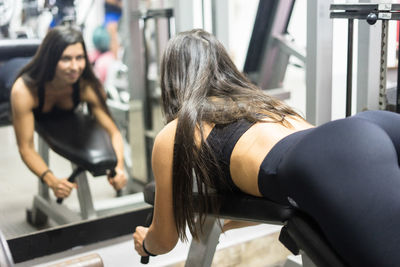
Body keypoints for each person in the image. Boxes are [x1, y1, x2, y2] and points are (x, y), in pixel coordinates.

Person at [133, 29, 400, 267]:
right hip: (368, 127)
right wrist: (229, 223)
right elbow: (287, 184)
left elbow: (164, 239)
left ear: (171, 81)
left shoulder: (175, 132)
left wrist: (146, 242)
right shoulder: (261, 104)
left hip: (329, 161)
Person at [10, 25, 127, 199]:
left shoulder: (86, 85)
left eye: (79, 58)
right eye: (66, 59)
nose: (75, 67)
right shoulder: (24, 91)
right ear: (51, 60)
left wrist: (119, 167)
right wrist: (51, 180)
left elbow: (114, 131)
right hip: (8, 78)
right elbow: (26, 147)